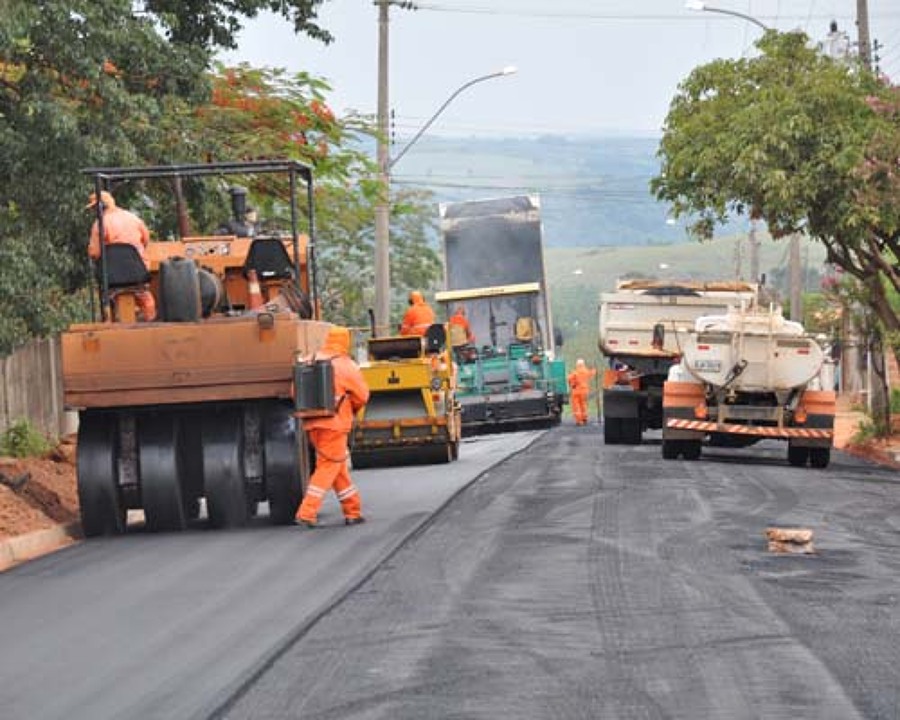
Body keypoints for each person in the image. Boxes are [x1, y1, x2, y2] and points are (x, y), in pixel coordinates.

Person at [296, 325, 370, 528]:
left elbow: (296, 391)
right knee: (328, 467)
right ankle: (307, 512)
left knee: (337, 468)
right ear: (346, 342)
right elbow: (362, 395)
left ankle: (353, 511)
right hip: (335, 425)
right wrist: (351, 410)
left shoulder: (310, 359)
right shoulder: (346, 365)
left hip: (312, 423)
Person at [86, 190, 156, 321]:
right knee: (146, 299)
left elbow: (94, 253)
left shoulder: (99, 224)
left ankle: (111, 320)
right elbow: (146, 240)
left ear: (100, 207)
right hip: (138, 274)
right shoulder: (133, 218)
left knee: (107, 299)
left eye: (94, 208)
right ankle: (150, 320)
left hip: (112, 279)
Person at [568, 358, 597, 426]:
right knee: (583, 405)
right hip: (584, 391)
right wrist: (594, 369)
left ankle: (579, 421)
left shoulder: (575, 372)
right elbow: (591, 373)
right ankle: (584, 418)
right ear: (583, 364)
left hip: (576, 391)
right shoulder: (586, 371)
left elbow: (569, 379)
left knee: (576, 406)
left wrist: (572, 384)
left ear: (577, 364)